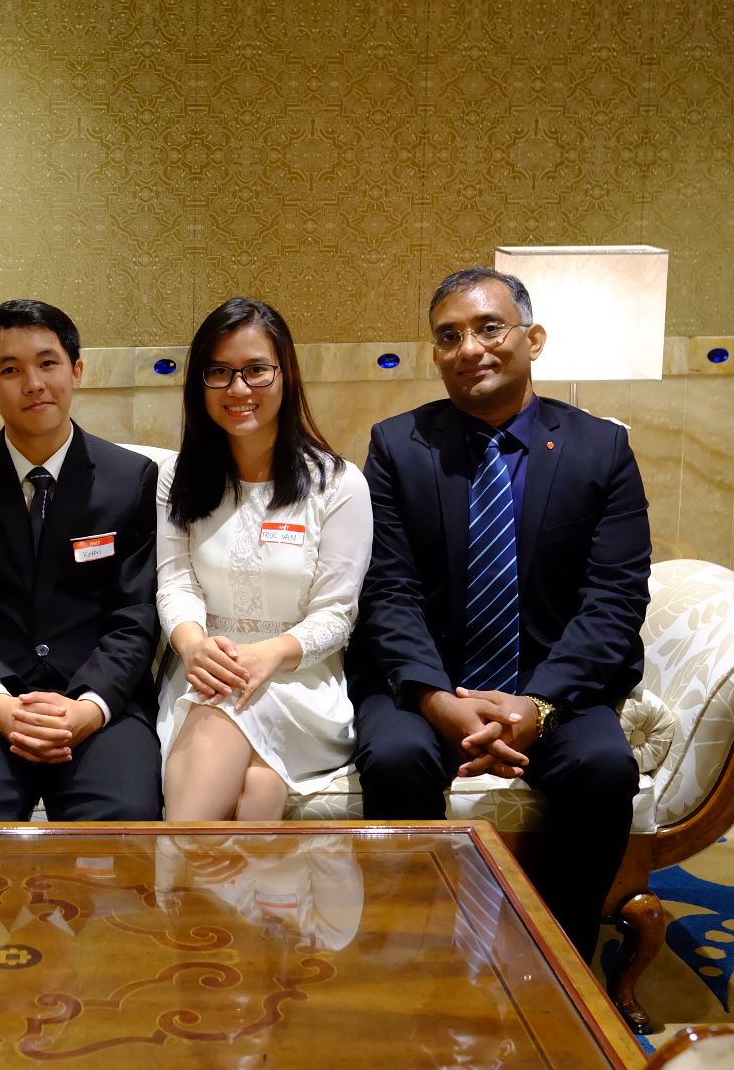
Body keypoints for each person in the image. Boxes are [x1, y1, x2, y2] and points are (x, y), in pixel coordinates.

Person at [345, 266, 650, 959]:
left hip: (552, 682)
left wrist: (536, 704)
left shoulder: (601, 449)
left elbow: (616, 599)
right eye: (449, 336)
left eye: (489, 328)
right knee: (394, 756)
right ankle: (416, 951)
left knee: (604, 767)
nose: (469, 349)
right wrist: (435, 700)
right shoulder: (398, 447)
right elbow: (386, 591)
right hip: (430, 680)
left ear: (532, 338)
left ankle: (557, 957)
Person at [0, 299, 162, 821]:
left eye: (48, 363)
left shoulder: (130, 480)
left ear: (76, 371)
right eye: (10, 370)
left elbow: (135, 616)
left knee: (122, 824)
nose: (33, 383)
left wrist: (87, 707)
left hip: (97, 702)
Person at [156, 297, 372, 821]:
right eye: (220, 372)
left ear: (286, 374)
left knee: (227, 716)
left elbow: (337, 613)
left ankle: (172, 890)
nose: (238, 389)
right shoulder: (177, 477)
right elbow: (175, 583)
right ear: (199, 383)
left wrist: (268, 655)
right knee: (258, 789)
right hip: (202, 671)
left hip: (298, 680)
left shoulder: (338, 484)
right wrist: (193, 647)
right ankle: (223, 900)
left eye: (256, 370)